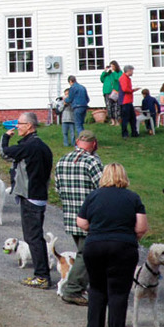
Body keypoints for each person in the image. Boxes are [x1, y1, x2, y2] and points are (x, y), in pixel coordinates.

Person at [77, 163, 148, 327]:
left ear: (104, 176)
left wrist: (97, 229)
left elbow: (81, 222)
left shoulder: (93, 196)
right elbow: (141, 228)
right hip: (123, 247)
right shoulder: (133, 198)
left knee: (97, 288)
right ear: (124, 176)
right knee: (118, 292)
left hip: (95, 246)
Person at [1, 112, 54, 289]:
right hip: (39, 195)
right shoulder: (43, 147)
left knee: (33, 238)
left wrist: (5, 137)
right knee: (35, 237)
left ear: (30, 126)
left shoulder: (31, 146)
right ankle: (42, 273)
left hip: (31, 196)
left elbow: (5, 152)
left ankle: (42, 276)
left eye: (20, 124)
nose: (17, 126)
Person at [54, 130, 103, 306]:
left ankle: (84, 286)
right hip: (90, 218)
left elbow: (57, 189)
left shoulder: (62, 160)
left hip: (71, 216)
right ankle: (73, 289)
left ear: (77, 141)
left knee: (85, 253)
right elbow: (103, 188)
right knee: (86, 255)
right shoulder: (92, 162)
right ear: (94, 144)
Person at [118, 65, 139, 138]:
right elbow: (125, 89)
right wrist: (133, 90)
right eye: (132, 70)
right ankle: (124, 134)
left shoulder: (127, 78)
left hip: (128, 100)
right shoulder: (123, 78)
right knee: (125, 118)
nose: (132, 72)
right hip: (125, 101)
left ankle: (134, 132)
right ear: (129, 70)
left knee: (133, 118)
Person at [100, 61, 122, 126]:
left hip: (115, 91)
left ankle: (117, 121)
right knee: (109, 107)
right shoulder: (107, 74)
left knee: (116, 107)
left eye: (113, 66)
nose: (111, 68)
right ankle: (112, 121)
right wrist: (105, 71)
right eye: (110, 66)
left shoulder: (119, 73)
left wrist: (113, 72)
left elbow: (117, 78)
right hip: (107, 91)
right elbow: (102, 79)